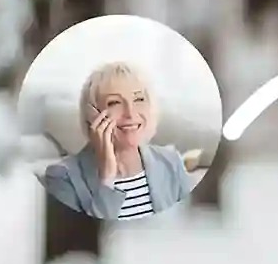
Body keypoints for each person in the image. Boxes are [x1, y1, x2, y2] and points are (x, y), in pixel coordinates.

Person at [39, 61, 195, 221]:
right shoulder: (62, 177)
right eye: (115, 103)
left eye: (139, 99)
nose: (130, 113)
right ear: (92, 114)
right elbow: (87, 239)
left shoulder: (172, 163)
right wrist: (107, 178)